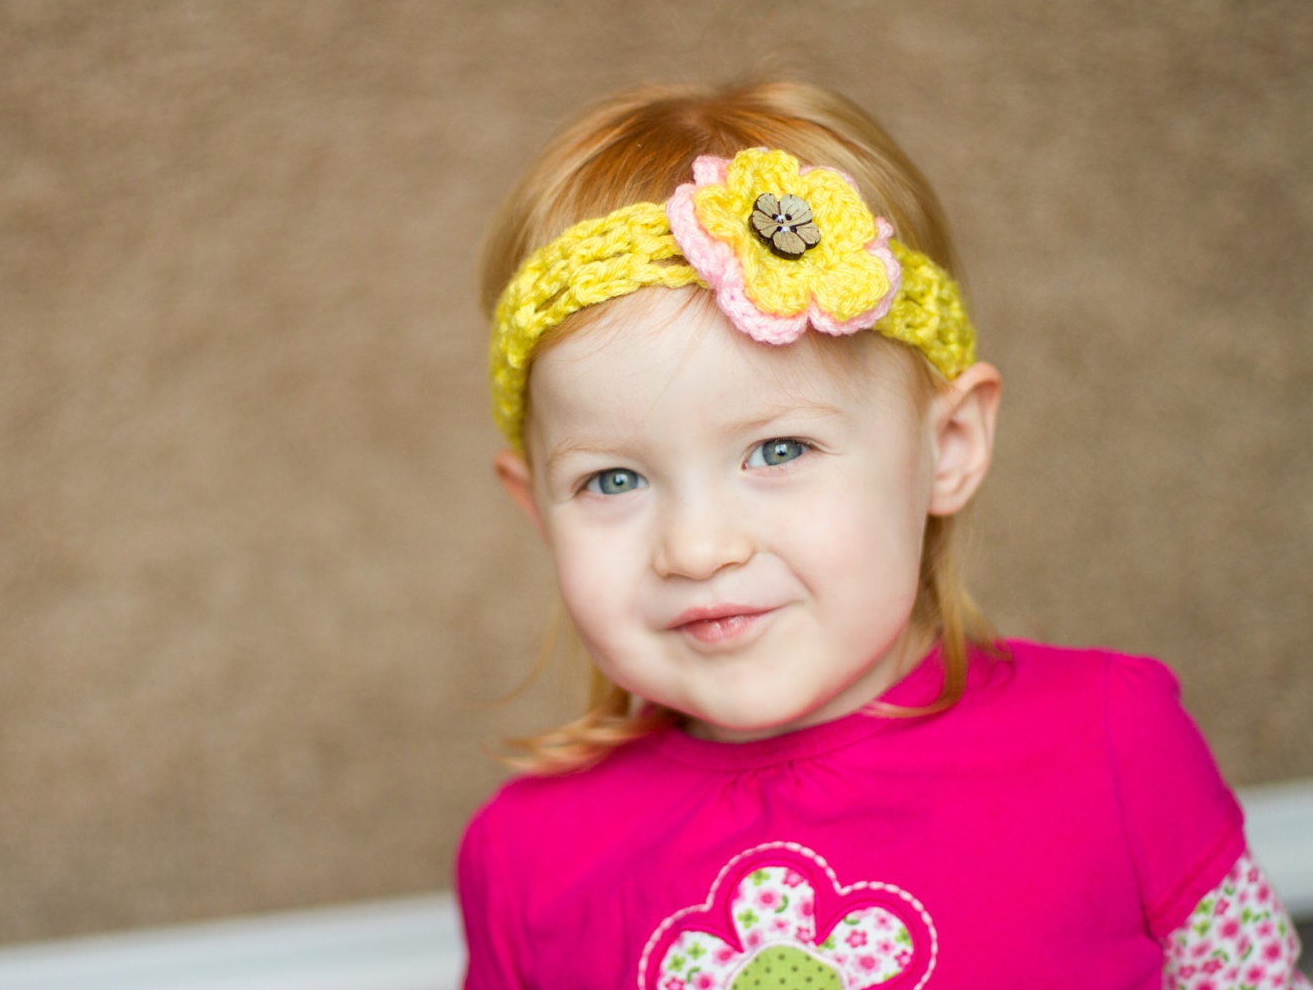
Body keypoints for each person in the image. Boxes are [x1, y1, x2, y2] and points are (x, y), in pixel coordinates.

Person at [458, 81, 1307, 989]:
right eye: (613, 479)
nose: (698, 550)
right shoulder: (523, 857)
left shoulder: (1112, 741)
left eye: (778, 449)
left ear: (947, 447)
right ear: (537, 508)